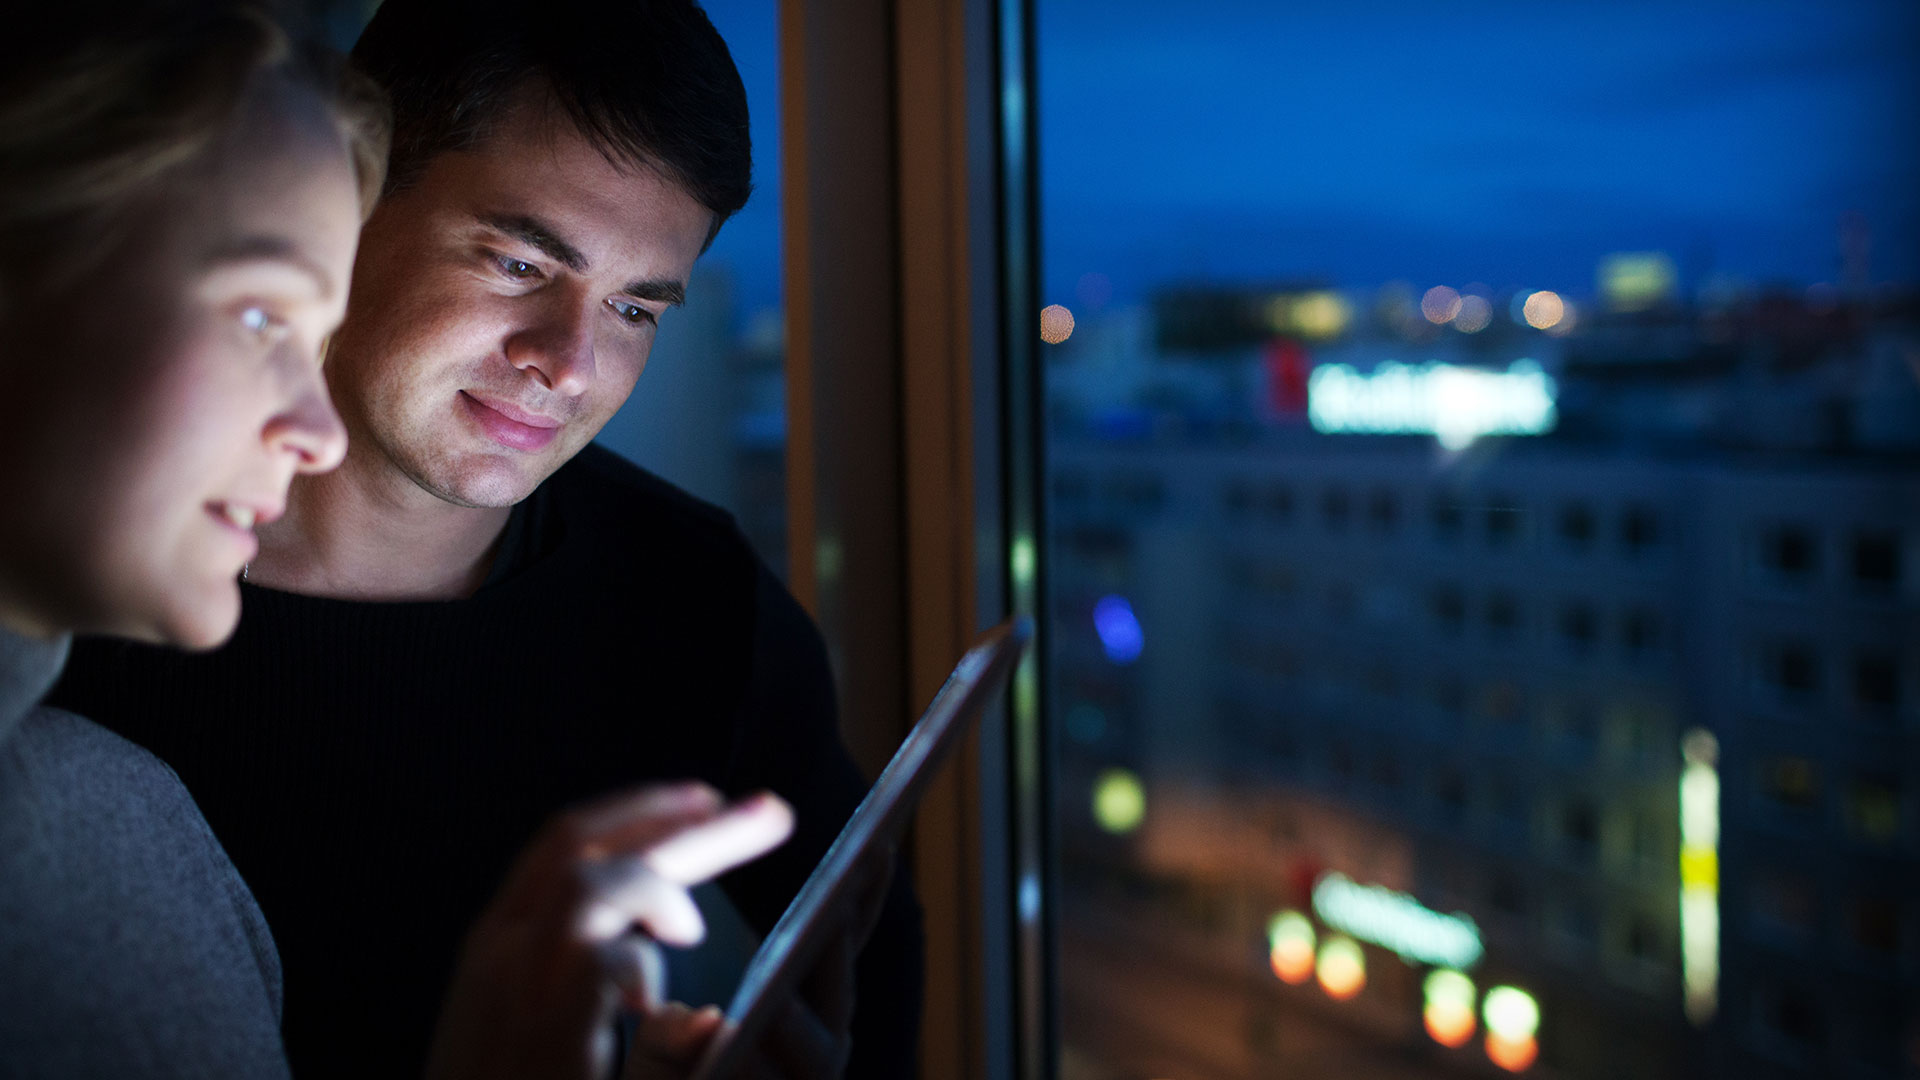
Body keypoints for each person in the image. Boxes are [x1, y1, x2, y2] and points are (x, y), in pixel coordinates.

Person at [49, 1, 926, 1077]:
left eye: (635, 310)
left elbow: (870, 956)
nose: (568, 362)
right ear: (351, 208)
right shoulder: (83, 580)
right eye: (518, 265)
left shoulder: (692, 600)